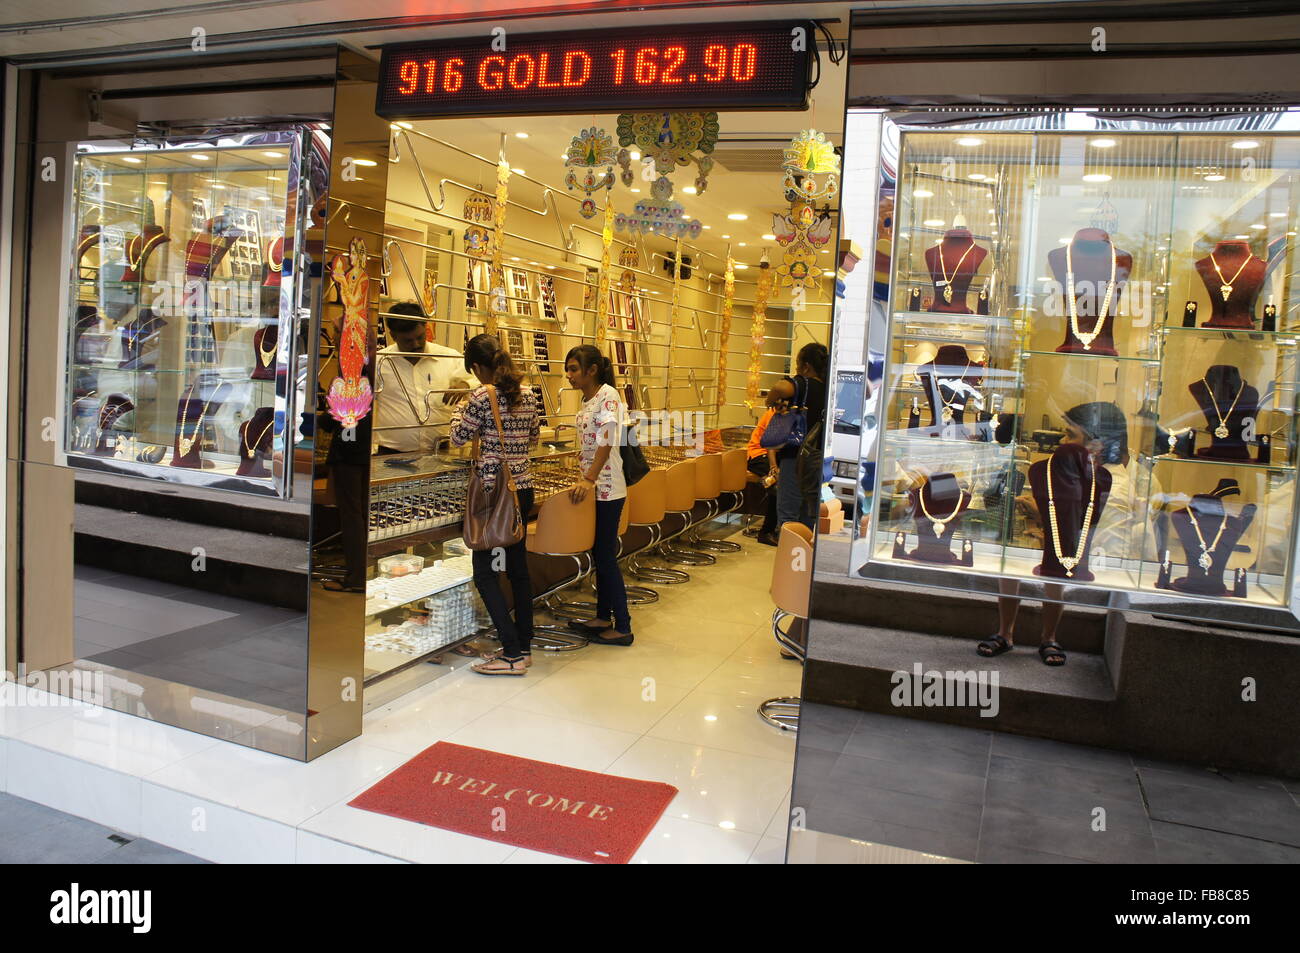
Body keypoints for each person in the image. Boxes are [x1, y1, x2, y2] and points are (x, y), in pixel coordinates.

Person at [977, 401, 1161, 667]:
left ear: (1096, 443)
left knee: (1046, 565)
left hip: (1084, 569)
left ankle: (1045, 635)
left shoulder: (1111, 489)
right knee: (1012, 560)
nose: (1062, 441)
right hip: (1063, 555)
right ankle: (1009, 632)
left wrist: (1044, 522)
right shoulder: (1071, 471)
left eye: (1070, 435)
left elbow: (1088, 544)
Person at [448, 334, 540, 676]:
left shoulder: (479, 396)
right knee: (517, 570)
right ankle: (523, 645)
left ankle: (512, 654)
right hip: (521, 488)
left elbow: (457, 437)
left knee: (485, 573)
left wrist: (460, 408)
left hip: (491, 492)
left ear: (475, 367)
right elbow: (532, 438)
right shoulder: (528, 394)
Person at [563, 344, 634, 646]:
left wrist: (590, 478)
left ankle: (624, 626)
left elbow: (606, 440)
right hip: (593, 486)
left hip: (606, 488)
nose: (569, 375)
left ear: (591, 370)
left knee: (605, 556)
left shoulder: (608, 395)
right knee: (599, 553)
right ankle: (603, 617)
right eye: (568, 369)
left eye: (574, 369)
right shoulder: (588, 398)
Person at [373, 301, 472, 454]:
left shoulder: (448, 356)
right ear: (393, 335)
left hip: (441, 452)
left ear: (426, 327)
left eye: (420, 337)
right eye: (408, 340)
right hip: (391, 454)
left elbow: (478, 378)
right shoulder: (379, 362)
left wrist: (465, 384)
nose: (416, 344)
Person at [766, 342, 828, 532]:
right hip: (817, 458)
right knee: (809, 514)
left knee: (788, 516)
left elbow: (780, 388)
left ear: (806, 366)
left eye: (797, 364)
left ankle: (789, 557)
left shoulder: (804, 383)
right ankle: (806, 555)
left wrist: (770, 400)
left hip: (795, 456)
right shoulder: (828, 386)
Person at [747, 407, 780, 545]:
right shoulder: (776, 414)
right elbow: (770, 444)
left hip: (769, 455)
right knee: (777, 486)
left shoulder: (785, 413)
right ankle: (766, 532)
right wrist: (774, 468)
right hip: (758, 455)